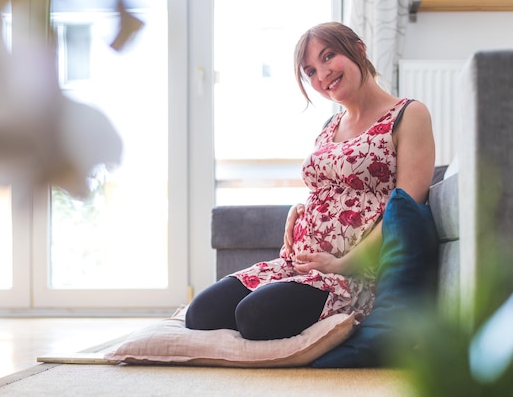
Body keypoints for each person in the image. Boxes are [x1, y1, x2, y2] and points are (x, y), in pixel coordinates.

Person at [185, 21, 436, 341]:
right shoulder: (329, 125)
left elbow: (405, 212)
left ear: (358, 49)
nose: (322, 74)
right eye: (310, 71)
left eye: (328, 56)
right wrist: (300, 210)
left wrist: (342, 264)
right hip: (298, 263)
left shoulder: (408, 115)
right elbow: (329, 191)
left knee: (253, 317)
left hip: (350, 274)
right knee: (200, 314)